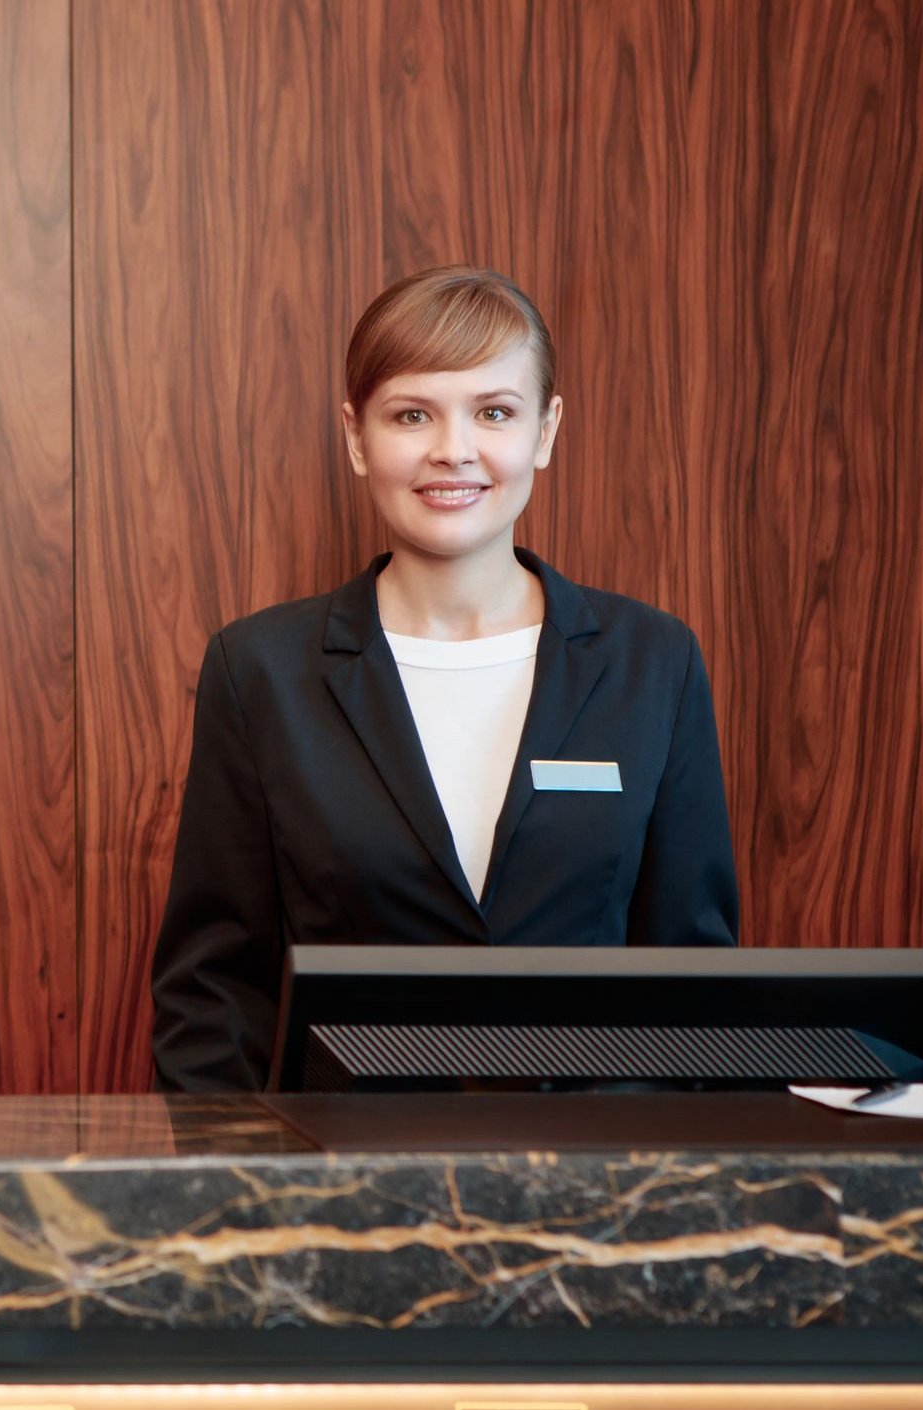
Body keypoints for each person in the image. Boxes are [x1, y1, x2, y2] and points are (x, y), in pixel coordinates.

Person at [150, 266, 738, 1092]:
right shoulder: (261, 672)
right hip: (344, 1196)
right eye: (412, 414)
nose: (453, 449)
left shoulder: (653, 662)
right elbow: (214, 996)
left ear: (545, 429)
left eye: (493, 412)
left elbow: (695, 984)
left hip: (600, 1196)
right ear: (357, 437)